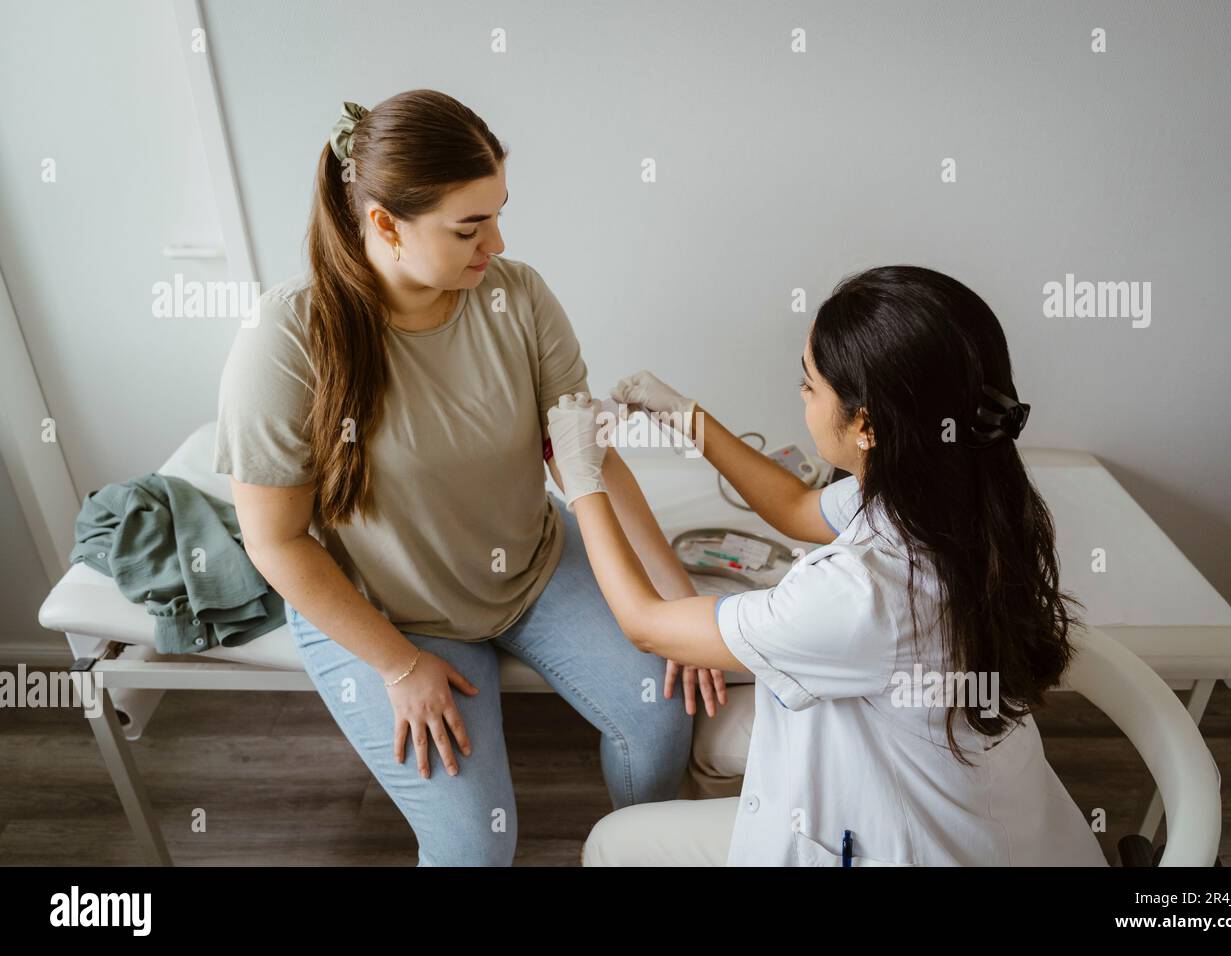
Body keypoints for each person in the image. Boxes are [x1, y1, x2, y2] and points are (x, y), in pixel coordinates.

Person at [212, 90, 718, 867]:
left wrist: (682, 606)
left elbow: (586, 460)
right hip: (387, 610)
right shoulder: (287, 338)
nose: (497, 241)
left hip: (533, 563)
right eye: (469, 226)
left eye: (499, 213)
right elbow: (276, 542)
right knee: (473, 848)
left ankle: (637, 852)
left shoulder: (517, 297)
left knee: (660, 720)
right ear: (385, 223)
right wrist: (399, 664)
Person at [545, 265, 1110, 866]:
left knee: (612, 841)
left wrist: (581, 482)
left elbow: (647, 623)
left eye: (809, 385)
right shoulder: (956, 492)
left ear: (865, 424)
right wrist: (686, 418)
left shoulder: (858, 590)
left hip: (917, 848)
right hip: (990, 810)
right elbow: (795, 507)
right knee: (716, 738)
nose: (802, 396)